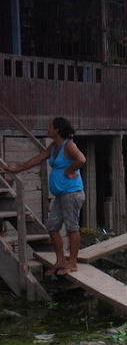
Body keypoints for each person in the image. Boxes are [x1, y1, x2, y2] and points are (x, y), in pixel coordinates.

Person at [6, 117, 86, 276]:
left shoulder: (68, 145)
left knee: (71, 227)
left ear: (57, 130)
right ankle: (61, 260)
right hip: (61, 194)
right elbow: (37, 159)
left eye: (50, 126)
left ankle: (72, 263)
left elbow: (81, 159)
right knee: (52, 226)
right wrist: (16, 170)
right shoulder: (54, 146)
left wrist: (67, 170)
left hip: (72, 193)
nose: (47, 129)